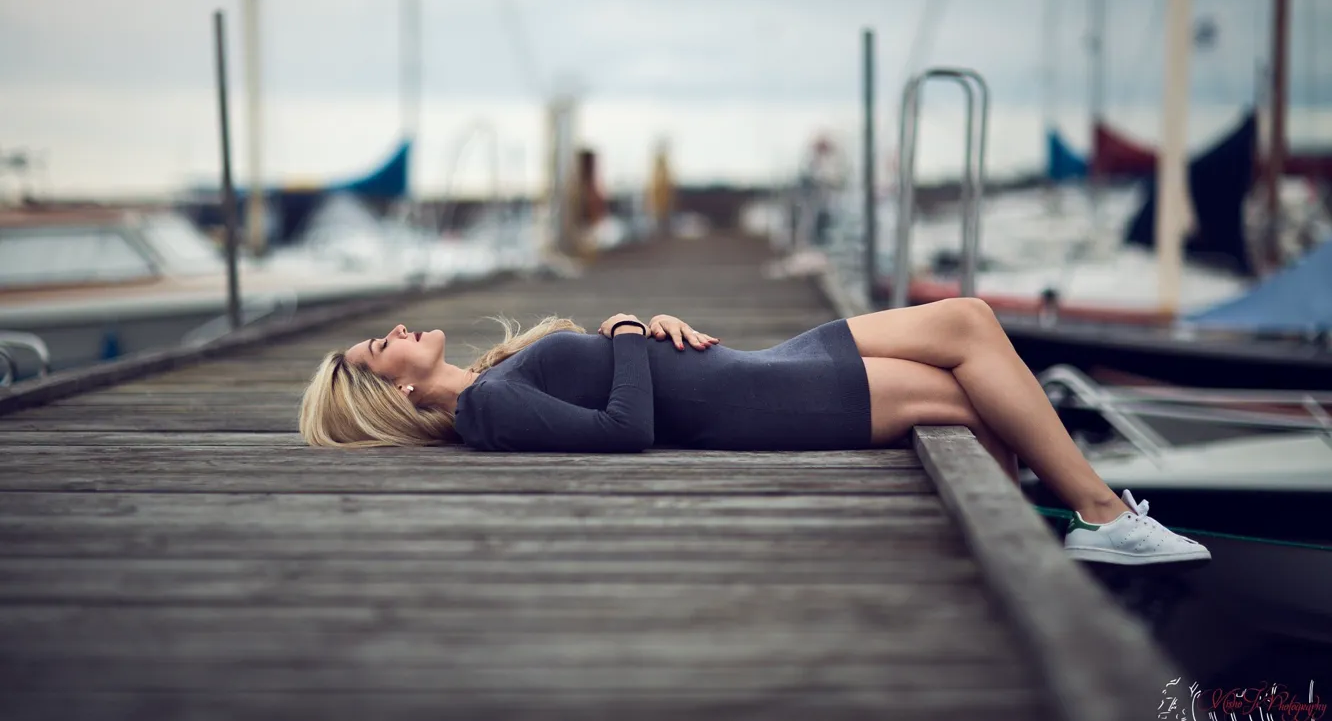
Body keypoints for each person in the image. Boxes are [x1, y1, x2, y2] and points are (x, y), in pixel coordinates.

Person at [300, 298, 1210, 566]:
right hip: (768, 403)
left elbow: (626, 382)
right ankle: (1091, 516)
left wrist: (653, 330)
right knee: (968, 388)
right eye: (381, 345)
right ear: (390, 395)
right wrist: (624, 334)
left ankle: (1071, 526)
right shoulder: (483, 412)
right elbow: (624, 433)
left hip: (766, 361)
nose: (398, 332)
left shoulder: (491, 379)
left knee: (969, 321)